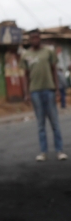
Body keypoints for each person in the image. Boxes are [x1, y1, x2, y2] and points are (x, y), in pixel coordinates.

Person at [21, 32, 67, 161]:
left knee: (55, 122)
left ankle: (59, 151)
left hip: (49, 90)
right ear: (29, 40)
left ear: (40, 38)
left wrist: (57, 89)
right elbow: (25, 75)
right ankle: (43, 152)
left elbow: (54, 70)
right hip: (35, 91)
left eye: (36, 37)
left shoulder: (48, 52)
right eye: (32, 38)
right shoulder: (26, 55)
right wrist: (26, 93)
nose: (34, 39)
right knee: (41, 124)